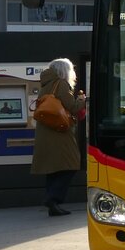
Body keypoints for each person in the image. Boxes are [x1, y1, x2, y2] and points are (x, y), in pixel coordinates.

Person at [31, 57, 85, 217]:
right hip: (59, 132)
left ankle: (52, 205)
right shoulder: (61, 84)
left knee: (53, 170)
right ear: (65, 71)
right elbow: (73, 107)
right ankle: (52, 198)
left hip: (46, 132)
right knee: (70, 165)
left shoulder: (46, 85)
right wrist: (82, 99)